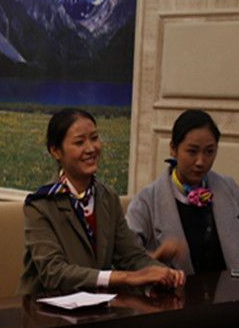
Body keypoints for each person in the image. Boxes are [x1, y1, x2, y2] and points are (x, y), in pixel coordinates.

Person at [19, 108, 185, 295]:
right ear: (56, 151)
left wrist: (164, 273)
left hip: (98, 305)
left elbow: (132, 256)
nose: (91, 149)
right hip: (44, 307)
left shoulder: (107, 197)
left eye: (95, 138)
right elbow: (53, 273)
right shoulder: (40, 205)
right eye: (79, 142)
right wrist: (125, 278)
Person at [126, 109, 239, 277]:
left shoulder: (229, 189)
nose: (201, 162)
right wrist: (156, 257)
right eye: (192, 151)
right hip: (173, 293)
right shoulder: (147, 201)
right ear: (173, 149)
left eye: (209, 152)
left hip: (230, 291)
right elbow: (126, 258)